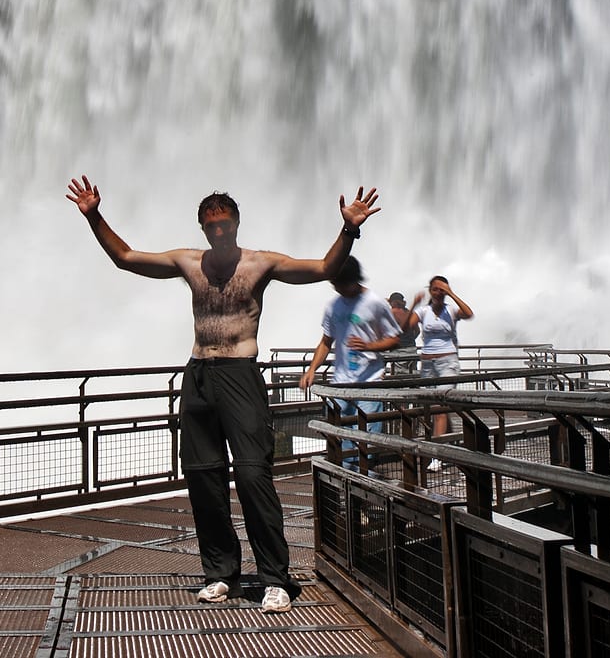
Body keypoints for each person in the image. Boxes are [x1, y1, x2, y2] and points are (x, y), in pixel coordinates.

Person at [66, 175, 380, 614]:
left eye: (225, 224)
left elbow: (325, 269)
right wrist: (94, 215)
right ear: (202, 228)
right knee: (203, 479)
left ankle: (275, 579)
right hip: (197, 375)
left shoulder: (260, 264)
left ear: (236, 223)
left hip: (240, 374)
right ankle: (220, 574)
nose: (219, 232)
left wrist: (349, 229)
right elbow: (124, 257)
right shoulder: (188, 262)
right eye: (211, 226)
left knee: (253, 476)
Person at [299, 257, 401, 472]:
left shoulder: (375, 303)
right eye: (335, 284)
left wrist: (369, 346)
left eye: (341, 284)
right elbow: (326, 341)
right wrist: (311, 370)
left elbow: (394, 338)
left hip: (368, 385)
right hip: (339, 386)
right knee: (339, 441)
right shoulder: (332, 305)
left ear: (354, 279)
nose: (338, 289)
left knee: (365, 443)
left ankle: (364, 490)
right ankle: (347, 492)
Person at [410, 275, 475, 465]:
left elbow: (469, 313)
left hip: (447, 362)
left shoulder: (452, 310)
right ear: (430, 291)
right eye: (435, 289)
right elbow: (404, 327)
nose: (439, 293)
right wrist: (414, 304)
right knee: (428, 406)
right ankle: (445, 442)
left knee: (440, 409)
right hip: (428, 365)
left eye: (442, 290)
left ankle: (436, 456)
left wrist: (451, 293)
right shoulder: (423, 311)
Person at [387, 291, 419, 372]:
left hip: (398, 350)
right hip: (412, 349)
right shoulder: (410, 313)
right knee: (413, 375)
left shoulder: (391, 313)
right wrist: (410, 339)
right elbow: (418, 331)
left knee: (399, 377)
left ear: (392, 302)